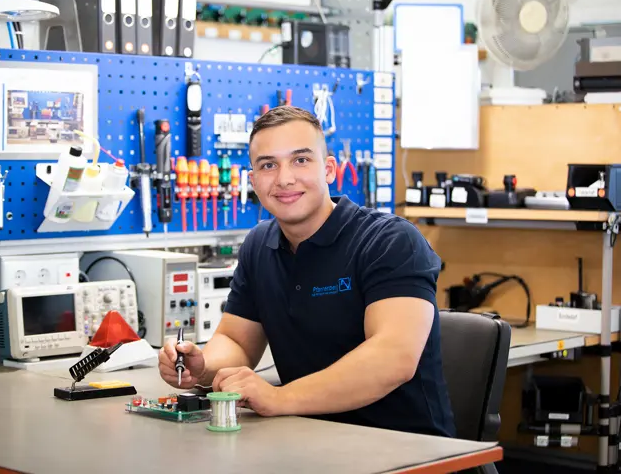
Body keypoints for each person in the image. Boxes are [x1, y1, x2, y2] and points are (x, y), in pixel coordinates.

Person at [158, 105, 456, 437]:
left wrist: (279, 398)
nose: (284, 178)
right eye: (268, 165)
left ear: (329, 170)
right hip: (307, 438)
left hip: (407, 446)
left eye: (300, 160)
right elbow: (236, 341)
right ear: (253, 181)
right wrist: (202, 367)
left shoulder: (390, 241)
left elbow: (393, 358)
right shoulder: (259, 246)